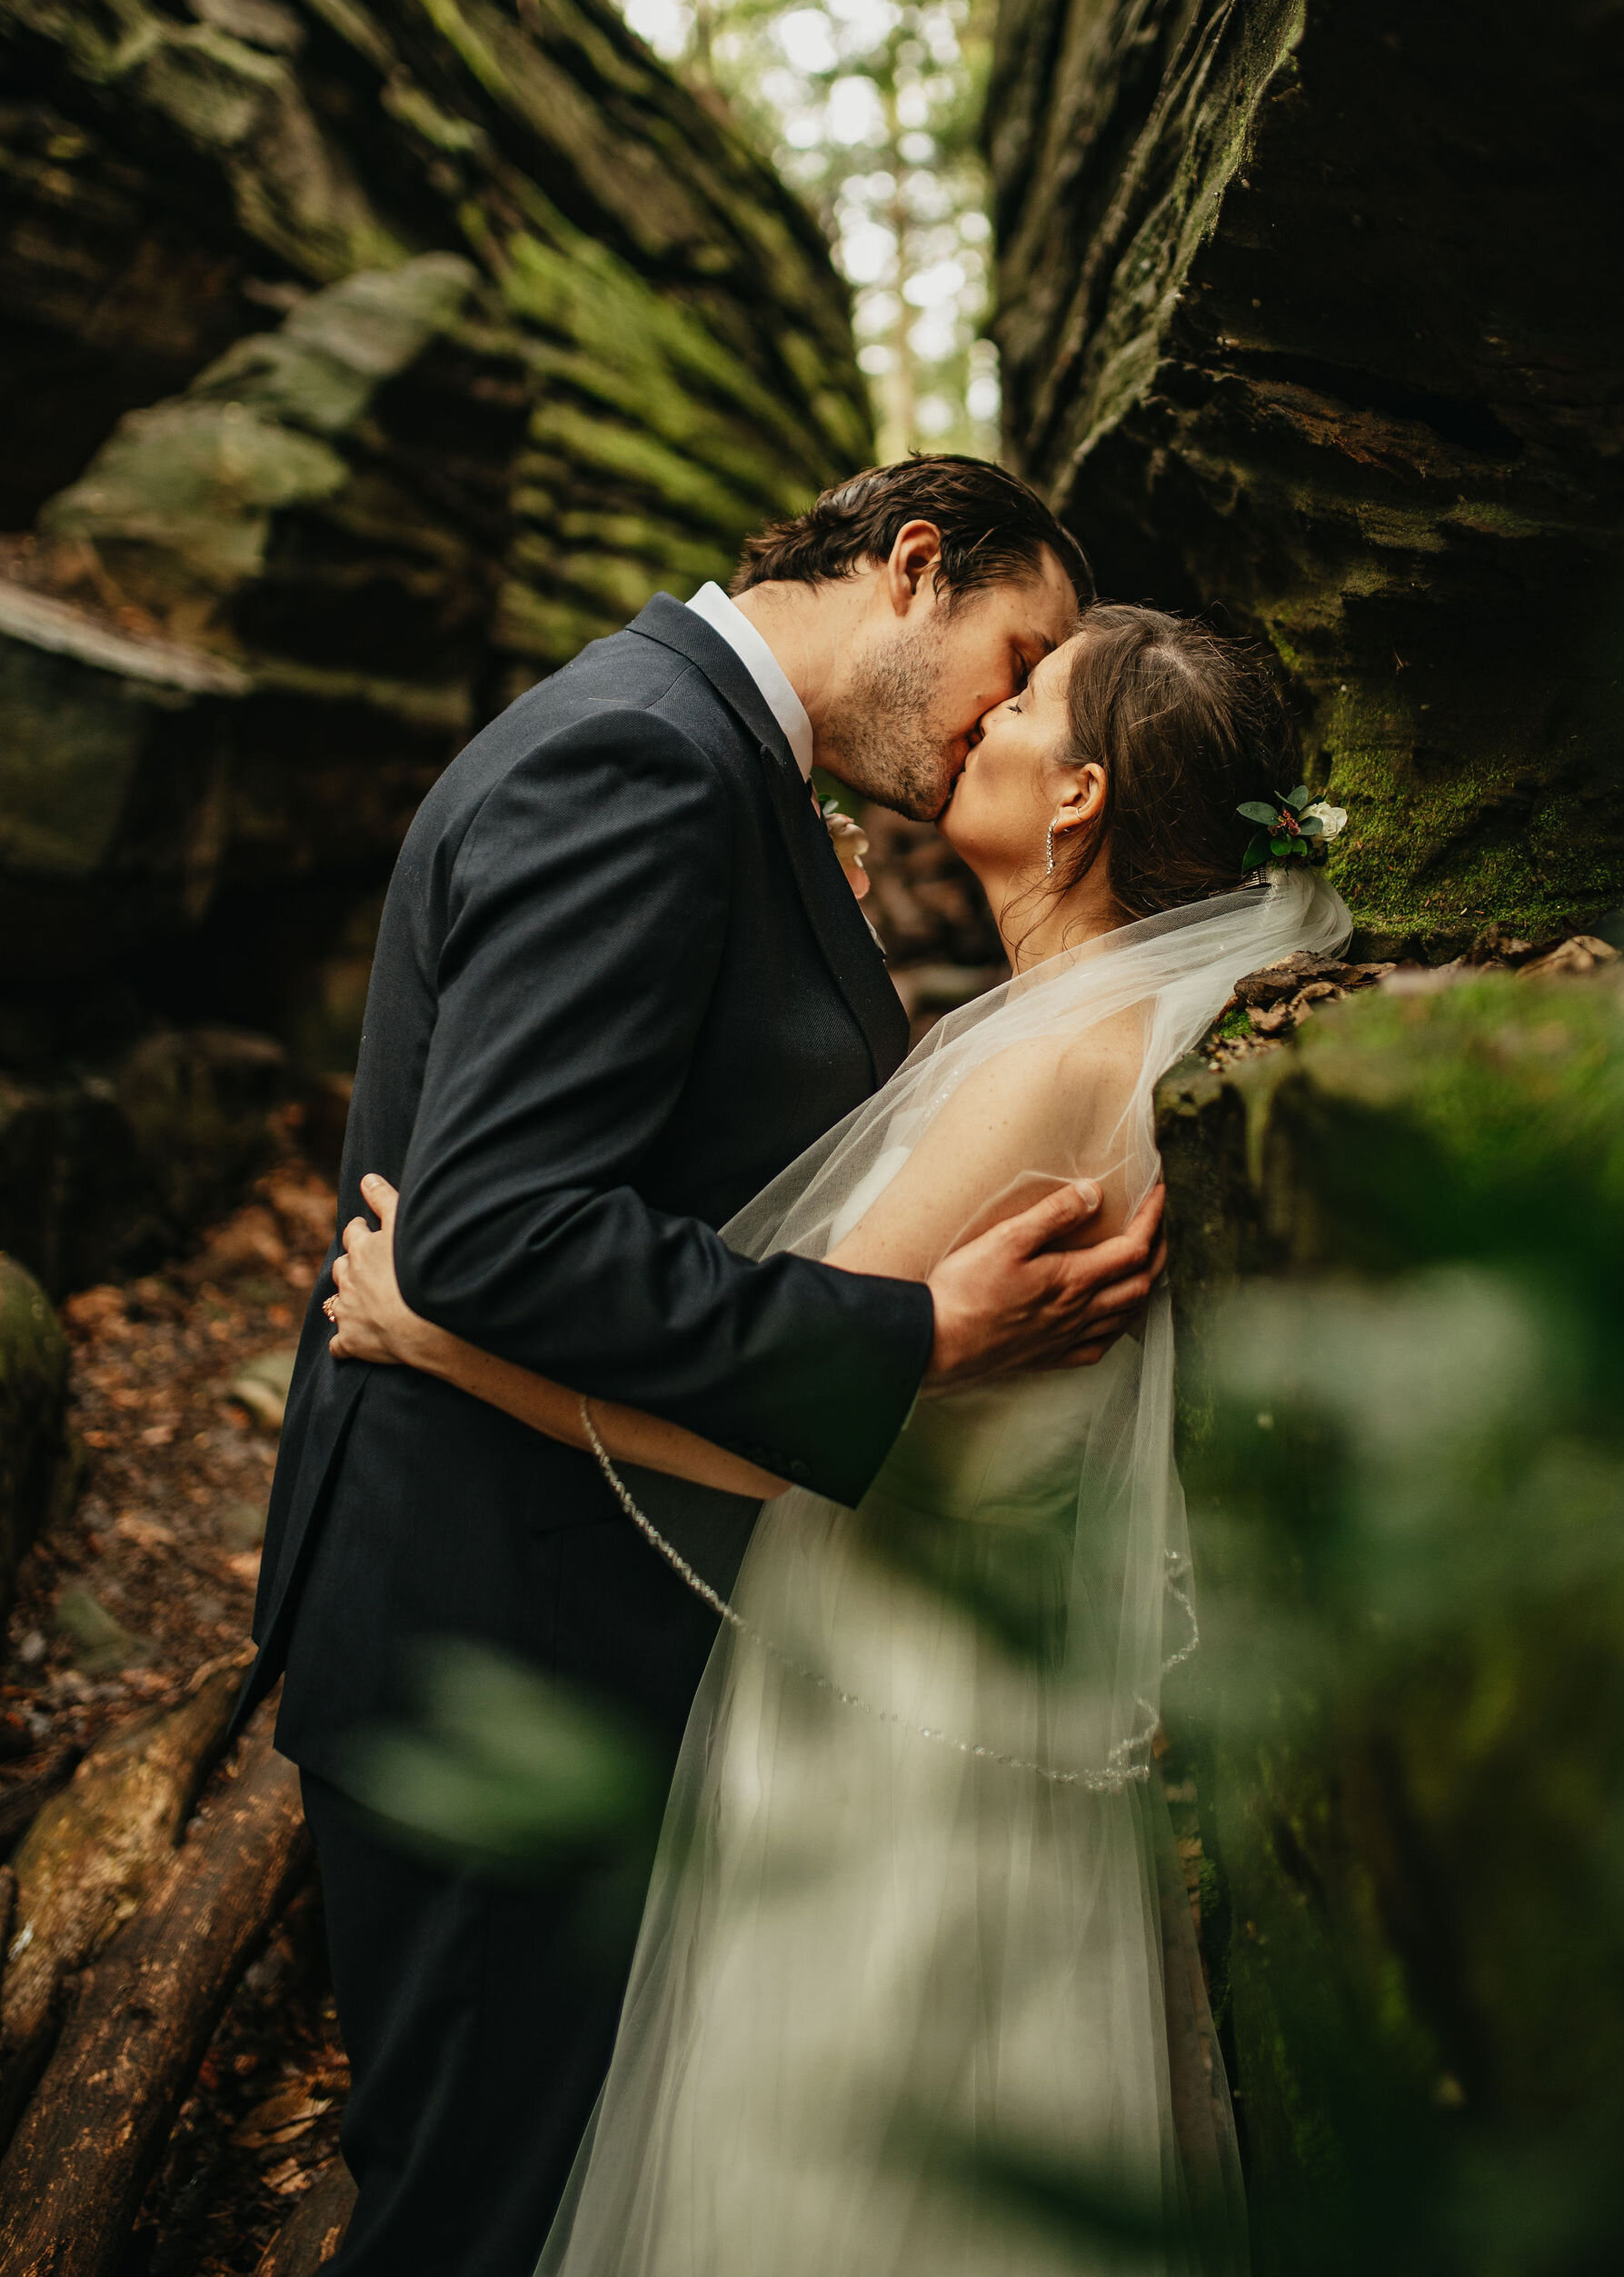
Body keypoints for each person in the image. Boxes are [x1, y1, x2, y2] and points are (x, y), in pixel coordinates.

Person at [330, 601, 1354, 2277]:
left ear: (1080, 796)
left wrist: (433, 1341)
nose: (986, 715)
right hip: (917, 1691)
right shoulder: (1037, 1039)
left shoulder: (1047, 1077)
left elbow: (768, 1428)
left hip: (899, 1750)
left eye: (1025, 689)